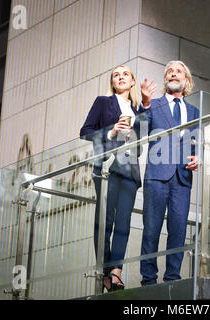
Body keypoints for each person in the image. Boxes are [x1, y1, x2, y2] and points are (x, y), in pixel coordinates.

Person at [80, 65, 142, 292]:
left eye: (126, 74)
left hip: (130, 169)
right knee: (105, 221)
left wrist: (134, 136)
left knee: (123, 222)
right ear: (113, 82)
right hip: (107, 168)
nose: (121, 77)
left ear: (133, 81)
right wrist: (112, 132)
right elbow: (85, 131)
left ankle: (116, 270)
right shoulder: (103, 102)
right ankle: (104, 271)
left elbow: (141, 145)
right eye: (117, 75)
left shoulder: (137, 109)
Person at [138, 60, 199, 286]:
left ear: (187, 80)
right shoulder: (153, 105)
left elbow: (197, 141)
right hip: (157, 175)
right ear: (166, 79)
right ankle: (148, 279)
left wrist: (199, 156)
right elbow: (140, 131)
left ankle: (172, 277)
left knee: (178, 229)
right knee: (151, 228)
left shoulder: (195, 110)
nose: (174, 74)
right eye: (170, 72)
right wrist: (144, 104)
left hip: (182, 177)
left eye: (179, 71)